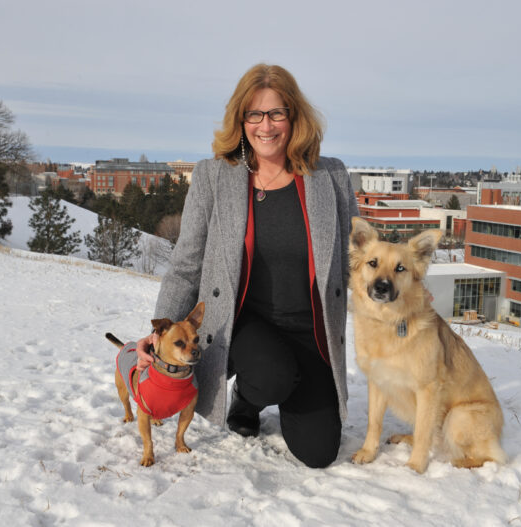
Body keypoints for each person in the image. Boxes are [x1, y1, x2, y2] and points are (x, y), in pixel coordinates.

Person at [134, 64, 359, 468]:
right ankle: (248, 398)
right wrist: (157, 334)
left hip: (311, 331)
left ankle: (284, 383)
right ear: (241, 120)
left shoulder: (331, 176)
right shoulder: (214, 176)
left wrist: (404, 294)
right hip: (246, 325)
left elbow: (356, 258)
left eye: (276, 113)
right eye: (254, 114)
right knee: (272, 375)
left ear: (294, 117)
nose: (265, 126)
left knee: (318, 453)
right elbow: (186, 265)